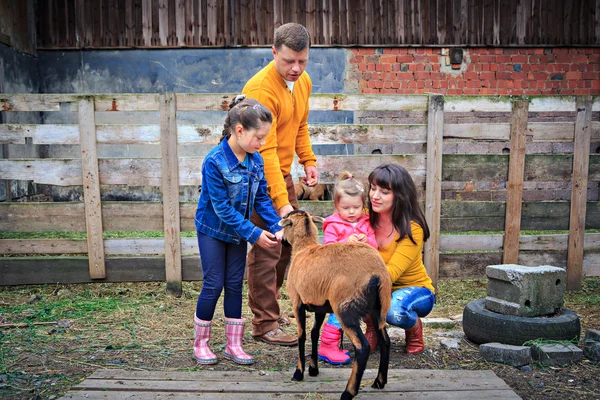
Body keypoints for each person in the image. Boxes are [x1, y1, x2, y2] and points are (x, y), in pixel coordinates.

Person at [193, 95, 284, 365]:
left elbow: (261, 199)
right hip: (212, 229)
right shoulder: (214, 161)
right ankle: (201, 344)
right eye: (259, 137)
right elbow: (220, 208)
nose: (262, 143)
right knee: (214, 284)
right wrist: (255, 234)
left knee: (234, 285)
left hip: (237, 232)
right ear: (240, 130)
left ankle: (233, 345)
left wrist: (277, 226)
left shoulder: (255, 160)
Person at [242, 22, 318, 346]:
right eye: (288, 61)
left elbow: (300, 125)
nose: (296, 68)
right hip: (257, 178)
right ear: (274, 52)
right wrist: (282, 202)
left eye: (302, 61)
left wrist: (309, 161)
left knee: (289, 246)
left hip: (281, 174)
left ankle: (270, 311)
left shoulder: (302, 82)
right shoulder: (262, 90)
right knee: (268, 248)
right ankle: (264, 325)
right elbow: (266, 151)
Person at [366, 163, 436, 355]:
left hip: (414, 290)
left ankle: (414, 329)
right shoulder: (365, 220)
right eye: (373, 188)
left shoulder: (413, 228)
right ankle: (373, 329)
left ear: (400, 195)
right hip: (379, 287)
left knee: (393, 310)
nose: (375, 196)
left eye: (384, 192)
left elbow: (392, 272)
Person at [318, 171, 377, 365]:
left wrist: (365, 240)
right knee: (342, 309)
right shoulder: (332, 225)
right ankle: (327, 345)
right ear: (336, 206)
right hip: (340, 279)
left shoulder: (366, 223)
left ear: (363, 205)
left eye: (356, 207)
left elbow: (375, 247)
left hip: (359, 278)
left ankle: (340, 342)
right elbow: (329, 251)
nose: (352, 212)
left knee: (353, 310)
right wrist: (346, 242)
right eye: (346, 208)